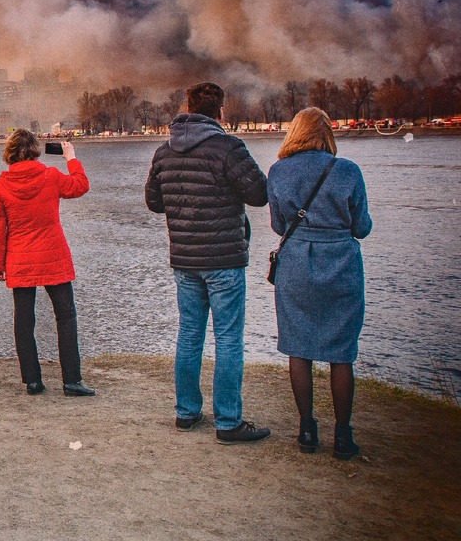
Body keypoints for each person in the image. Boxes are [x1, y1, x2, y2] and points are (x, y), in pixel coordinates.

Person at [145, 82, 271, 445]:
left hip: (185, 258)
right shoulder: (229, 148)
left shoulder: (164, 152)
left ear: (187, 108)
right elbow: (259, 194)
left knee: (189, 334)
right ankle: (228, 421)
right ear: (220, 112)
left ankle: (186, 412)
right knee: (228, 337)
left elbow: (154, 202)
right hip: (224, 258)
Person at [268, 107, 372, 460]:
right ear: (327, 133)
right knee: (342, 352)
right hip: (341, 264)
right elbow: (362, 227)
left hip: (296, 264)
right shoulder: (348, 171)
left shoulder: (279, 171)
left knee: (299, 348)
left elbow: (279, 225)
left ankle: (307, 430)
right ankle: (342, 436)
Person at [0, 130, 95, 396]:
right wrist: (71, 158)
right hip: (53, 257)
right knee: (66, 317)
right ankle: (72, 381)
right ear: (36, 150)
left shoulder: (2, 184)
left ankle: (33, 381)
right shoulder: (51, 176)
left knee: (24, 320)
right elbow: (81, 185)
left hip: (20, 259)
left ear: (10, 152)